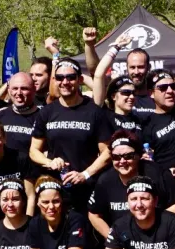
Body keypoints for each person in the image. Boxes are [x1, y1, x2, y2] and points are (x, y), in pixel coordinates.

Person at [30, 58, 114, 211]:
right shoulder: (47, 112)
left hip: (87, 189)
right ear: (54, 80)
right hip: (55, 192)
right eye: (60, 78)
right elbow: (34, 150)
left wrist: (85, 174)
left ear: (80, 80)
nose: (65, 82)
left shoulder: (95, 112)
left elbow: (107, 151)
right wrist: (49, 162)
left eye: (70, 77)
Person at [0, 73, 42, 156]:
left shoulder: (43, 117)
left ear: (34, 89)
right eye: (15, 88)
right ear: (9, 90)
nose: (19, 93)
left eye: (24, 88)